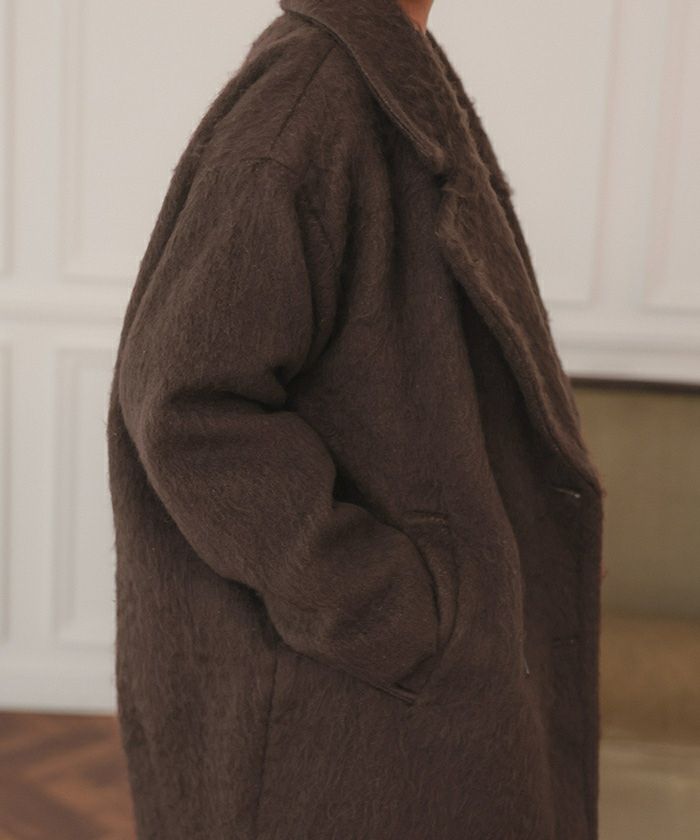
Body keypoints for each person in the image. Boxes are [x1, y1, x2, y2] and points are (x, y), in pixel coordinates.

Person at [106, 1, 606, 838]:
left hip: (403, 686)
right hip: (357, 697)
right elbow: (186, 403)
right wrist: (388, 608)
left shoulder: (383, 68)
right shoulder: (312, 99)